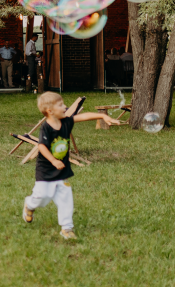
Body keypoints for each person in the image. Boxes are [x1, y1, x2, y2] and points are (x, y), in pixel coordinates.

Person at [22, 92, 119, 240]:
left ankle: (67, 228)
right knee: (43, 196)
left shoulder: (66, 121)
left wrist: (103, 116)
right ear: (50, 111)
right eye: (60, 105)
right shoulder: (46, 128)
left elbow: (83, 116)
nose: (65, 106)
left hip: (62, 171)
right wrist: (53, 161)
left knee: (65, 198)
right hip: (45, 171)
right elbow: (41, 147)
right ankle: (30, 204)